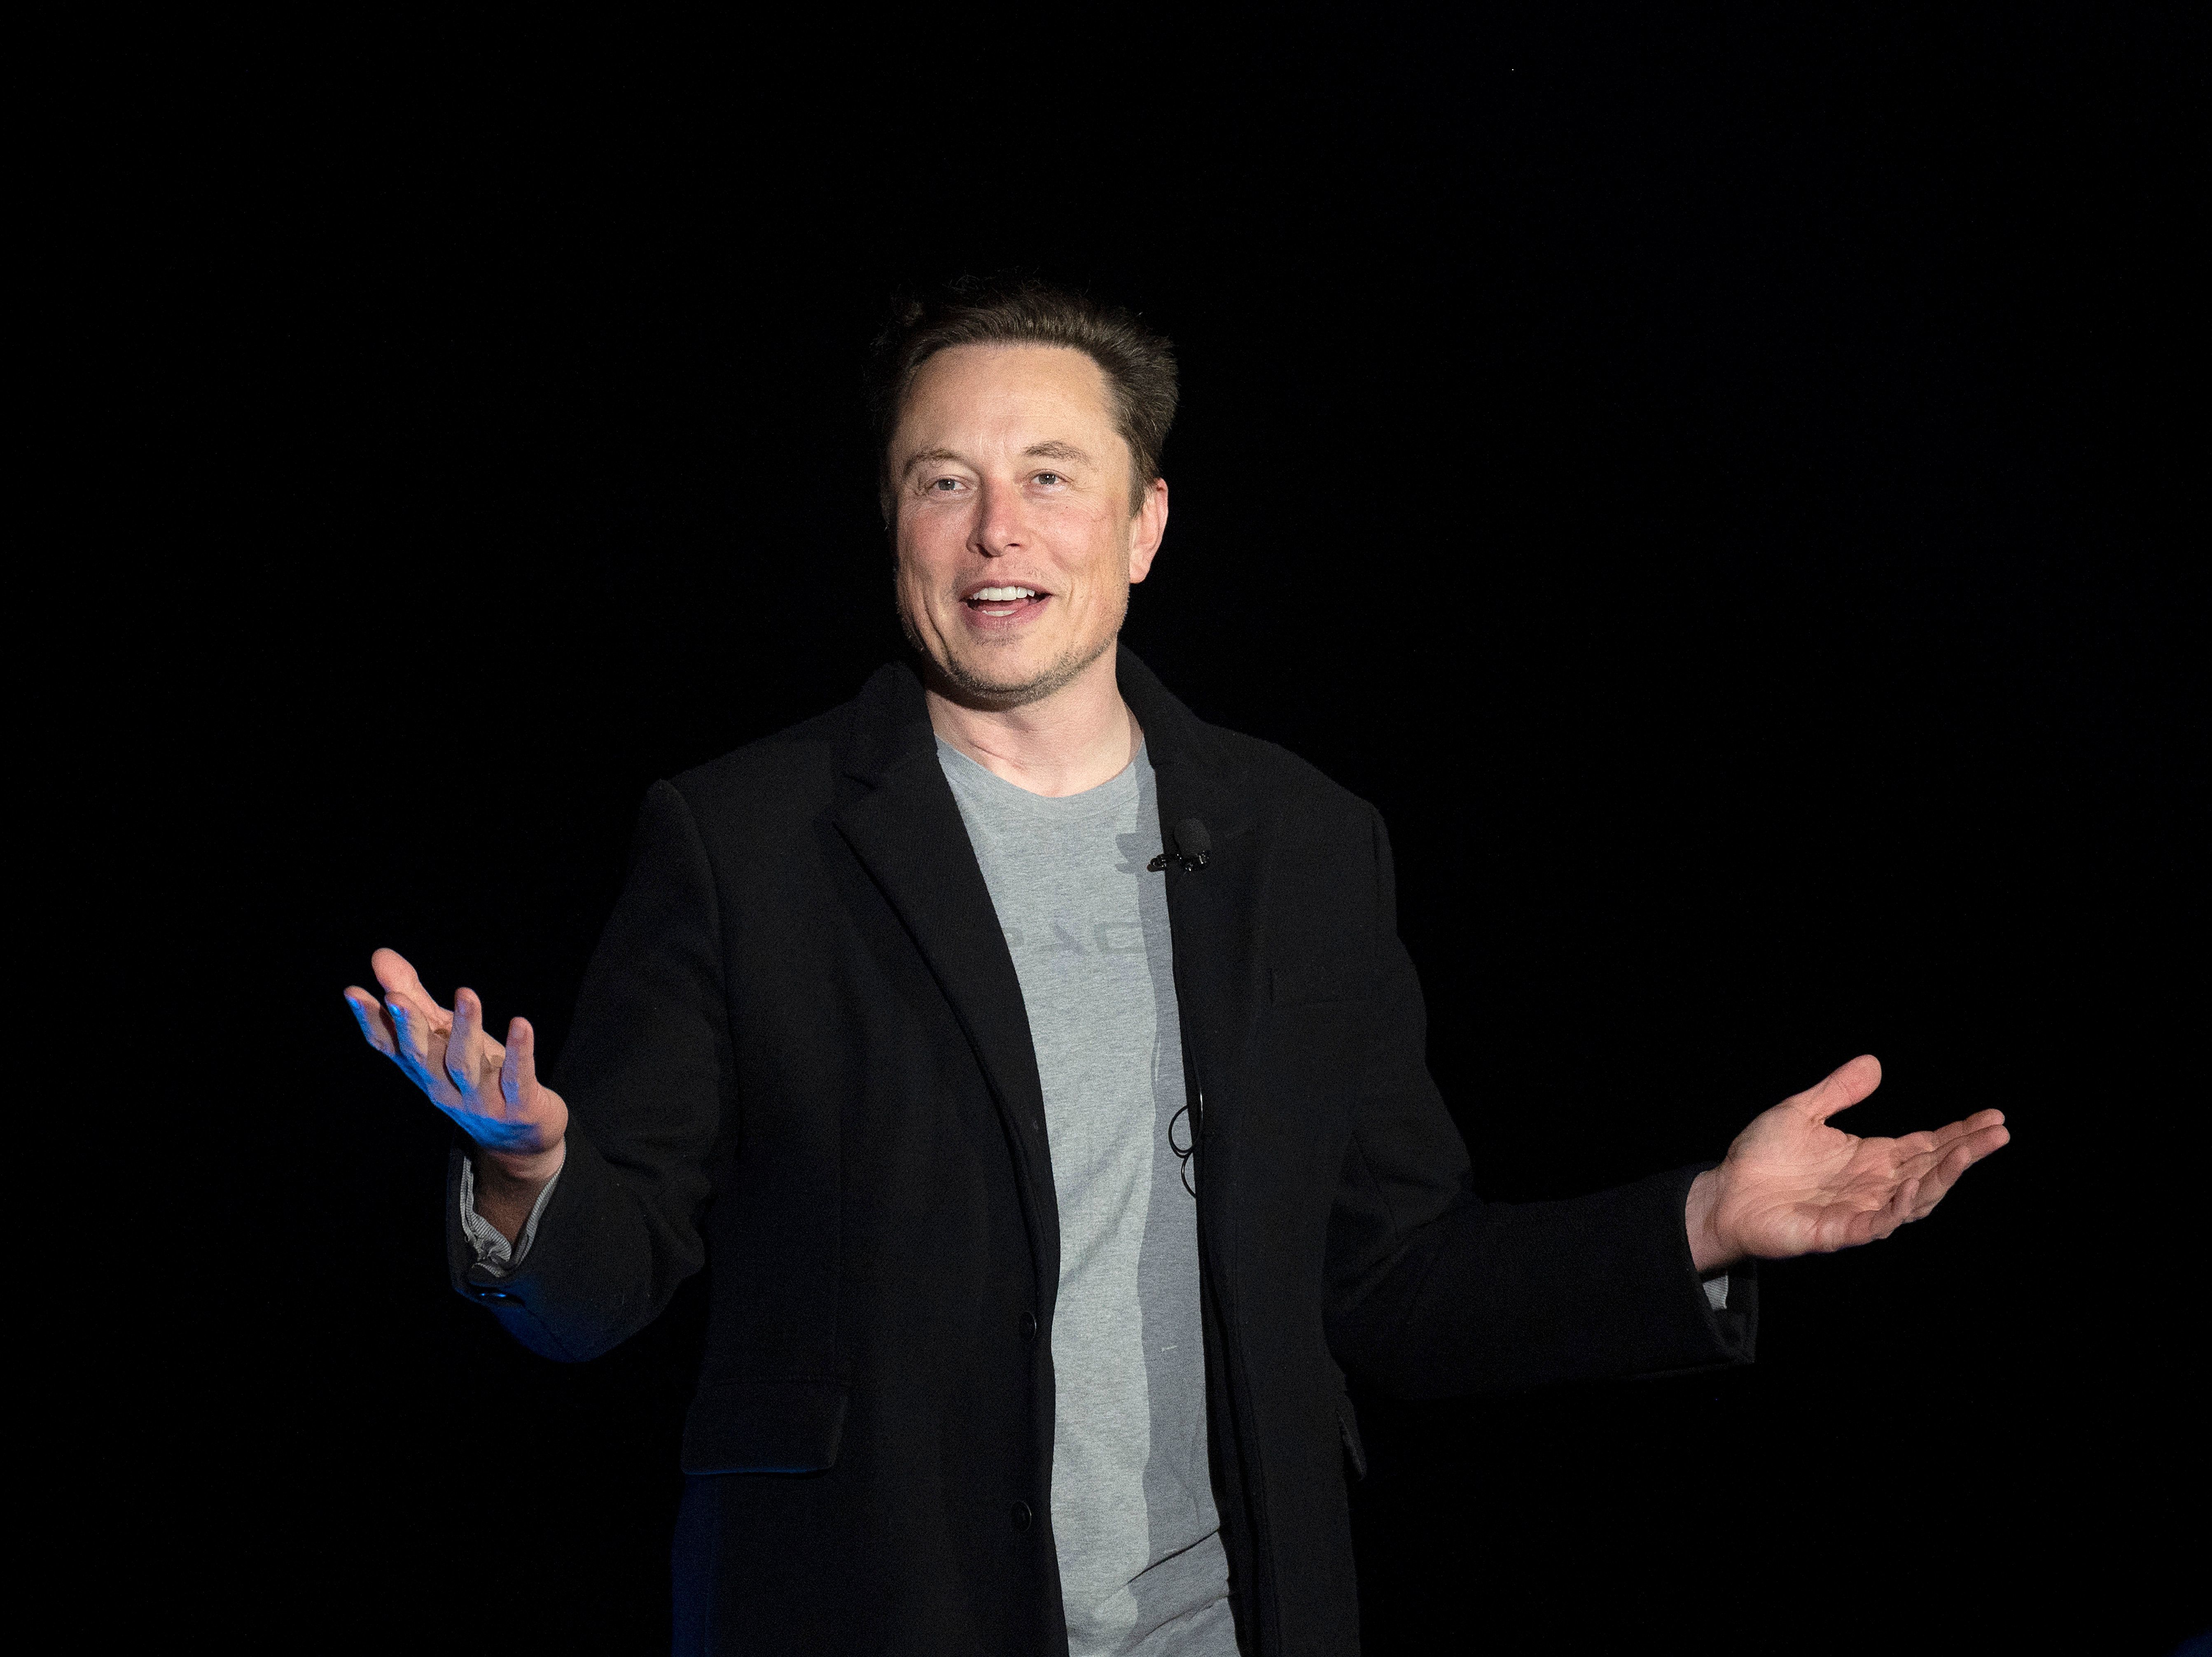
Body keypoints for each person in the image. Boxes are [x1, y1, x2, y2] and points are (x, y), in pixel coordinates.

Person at [343, 278, 2009, 1657]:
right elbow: (597, 1285)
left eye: (1052, 475)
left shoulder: (1301, 839)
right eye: (941, 478)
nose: (996, 528)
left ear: (1142, 521)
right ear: (892, 517)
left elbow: (1392, 1275)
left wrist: (1697, 1224)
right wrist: (528, 1175)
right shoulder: (744, 837)